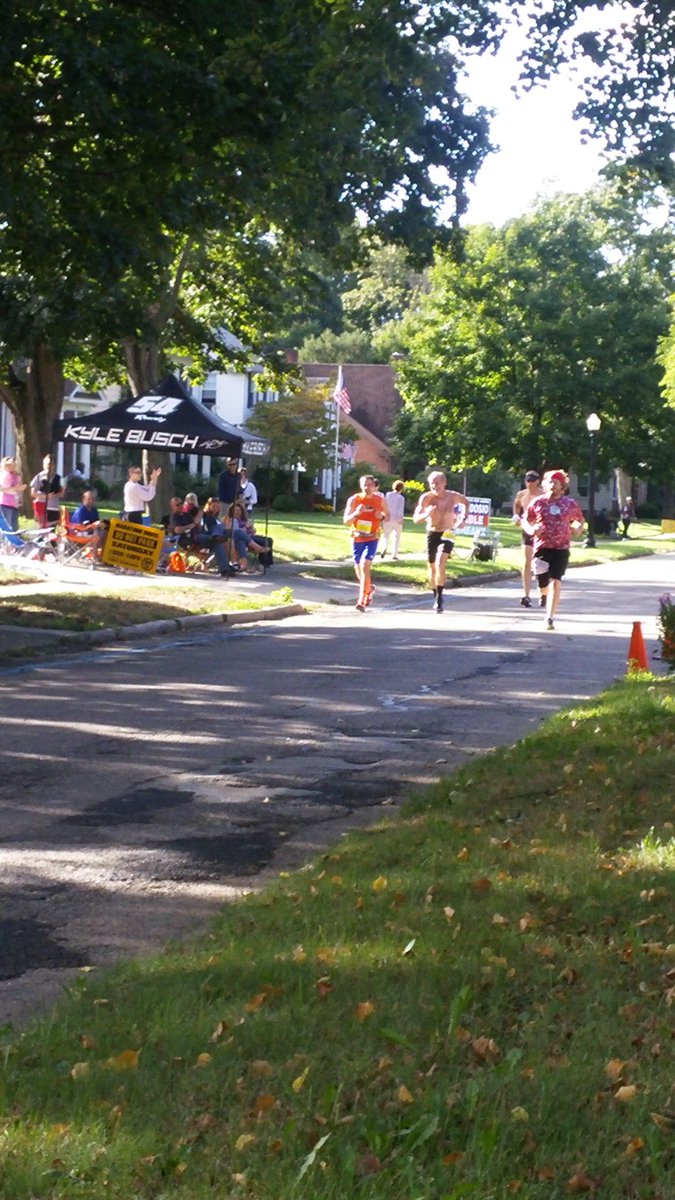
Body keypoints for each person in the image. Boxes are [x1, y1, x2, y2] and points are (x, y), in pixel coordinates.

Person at [522, 469, 585, 631]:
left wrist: (578, 528)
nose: (551, 485)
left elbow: (578, 520)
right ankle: (543, 593)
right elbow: (526, 520)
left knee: (556, 581)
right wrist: (531, 529)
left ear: (562, 486)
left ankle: (550, 616)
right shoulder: (538, 502)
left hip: (561, 547)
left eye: (555, 482)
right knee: (543, 582)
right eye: (549, 482)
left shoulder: (569, 504)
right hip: (542, 547)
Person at [412, 471, 469, 613]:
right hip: (432, 532)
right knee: (432, 567)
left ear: (444, 483)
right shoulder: (426, 498)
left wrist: (463, 518)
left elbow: (466, 502)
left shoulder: (453, 496)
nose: (434, 486)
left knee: (440, 562)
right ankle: (436, 594)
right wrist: (426, 514)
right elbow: (416, 518)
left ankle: (440, 598)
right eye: (432, 483)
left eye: (437, 483)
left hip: (448, 531)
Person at [343, 474, 389, 611]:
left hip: (372, 537)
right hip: (358, 537)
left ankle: (362, 600)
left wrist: (381, 516)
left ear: (374, 486)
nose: (367, 487)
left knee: (365, 565)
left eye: (369, 485)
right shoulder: (354, 500)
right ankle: (369, 588)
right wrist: (356, 513)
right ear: (361, 485)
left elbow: (388, 515)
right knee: (358, 568)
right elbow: (346, 521)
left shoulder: (380, 500)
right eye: (364, 484)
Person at [512, 470, 544, 608]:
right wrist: (516, 516)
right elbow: (517, 505)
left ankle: (544, 593)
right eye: (527, 480)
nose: (529, 483)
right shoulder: (522, 494)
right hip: (527, 531)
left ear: (538, 481)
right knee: (527, 562)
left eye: (532, 480)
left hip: (542, 532)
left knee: (541, 564)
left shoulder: (543, 495)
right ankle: (526, 595)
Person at [223, 501, 266, 570]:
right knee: (240, 535)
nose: (238, 512)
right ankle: (257, 548)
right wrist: (246, 527)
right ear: (232, 511)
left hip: (246, 538)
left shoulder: (243, 519)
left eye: (239, 510)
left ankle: (244, 565)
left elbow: (252, 532)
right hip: (232, 539)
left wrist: (252, 528)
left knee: (241, 541)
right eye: (236, 510)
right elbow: (236, 532)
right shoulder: (231, 520)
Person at [30, 454, 63, 527]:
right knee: (42, 529)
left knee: (52, 529)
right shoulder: (39, 477)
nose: (49, 466)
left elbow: (61, 494)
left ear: (54, 465)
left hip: (53, 507)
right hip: (42, 506)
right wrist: (46, 496)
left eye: (51, 464)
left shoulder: (58, 478)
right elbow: (33, 493)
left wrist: (59, 493)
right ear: (44, 465)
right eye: (48, 464)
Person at [0, 455, 26, 532]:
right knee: (7, 527)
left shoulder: (15, 475)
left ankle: (13, 543)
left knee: (14, 527)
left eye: (14, 464)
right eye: (11, 464)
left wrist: (20, 490)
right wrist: (16, 488)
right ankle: (5, 542)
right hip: (5, 503)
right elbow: (3, 489)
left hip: (14, 504)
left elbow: (17, 487)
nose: (13, 466)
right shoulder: (4, 474)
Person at [381, 479, 405, 559]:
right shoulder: (401, 498)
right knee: (396, 537)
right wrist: (401, 518)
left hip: (387, 517)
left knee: (386, 535)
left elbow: (384, 504)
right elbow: (400, 509)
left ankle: (384, 547)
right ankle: (394, 554)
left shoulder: (388, 495)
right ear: (401, 488)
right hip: (396, 519)